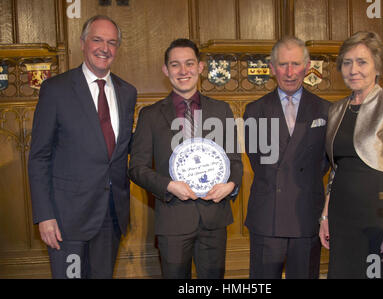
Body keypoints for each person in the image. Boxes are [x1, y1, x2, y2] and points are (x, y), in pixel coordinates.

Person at [28, 15, 137, 279]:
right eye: (97, 39)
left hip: (111, 217)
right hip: (68, 220)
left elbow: (121, 150)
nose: (105, 48)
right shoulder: (56, 89)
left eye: (112, 42)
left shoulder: (127, 92)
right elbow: (39, 157)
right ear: (83, 43)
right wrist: (45, 216)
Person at [128, 38, 243, 279]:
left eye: (189, 64)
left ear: (200, 67)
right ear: (165, 70)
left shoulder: (221, 111)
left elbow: (234, 161)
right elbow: (136, 168)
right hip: (173, 219)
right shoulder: (150, 115)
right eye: (175, 65)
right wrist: (168, 186)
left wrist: (230, 185)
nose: (183, 71)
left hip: (214, 217)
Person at [319, 31, 383, 279]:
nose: (354, 69)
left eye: (362, 62)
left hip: (377, 216)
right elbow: (335, 169)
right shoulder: (336, 109)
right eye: (347, 62)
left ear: (377, 66)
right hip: (342, 215)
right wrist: (325, 216)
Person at [243, 36, 330, 279]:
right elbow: (260, 162)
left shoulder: (325, 109)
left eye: (295, 64)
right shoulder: (254, 110)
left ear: (307, 65)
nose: (290, 72)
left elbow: (324, 163)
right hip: (267, 216)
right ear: (271, 68)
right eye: (282, 64)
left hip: (306, 215)